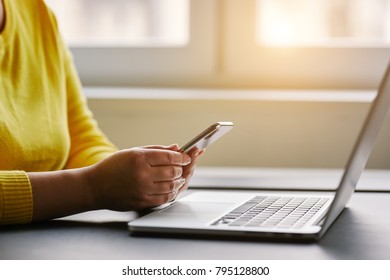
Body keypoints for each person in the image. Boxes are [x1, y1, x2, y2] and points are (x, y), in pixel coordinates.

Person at [0, 0, 203, 225]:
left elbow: (81, 138)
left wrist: (140, 180)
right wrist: (92, 187)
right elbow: (93, 184)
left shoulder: (36, 11)